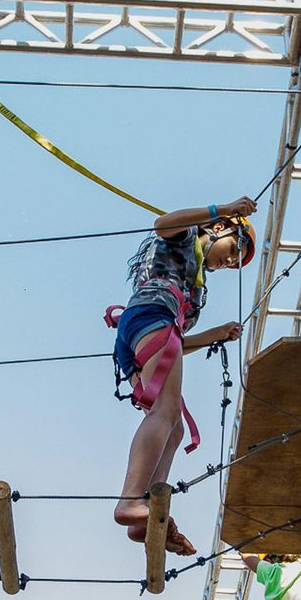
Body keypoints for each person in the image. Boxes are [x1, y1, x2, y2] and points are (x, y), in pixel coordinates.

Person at [108, 198, 258, 556]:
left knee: (172, 424)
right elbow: (163, 222)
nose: (231, 262)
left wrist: (214, 335)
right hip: (150, 317)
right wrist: (219, 209)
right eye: (236, 249)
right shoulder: (185, 236)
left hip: (144, 329)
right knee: (165, 412)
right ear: (221, 228)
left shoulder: (192, 286)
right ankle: (131, 500)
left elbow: (173, 345)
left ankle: (145, 511)